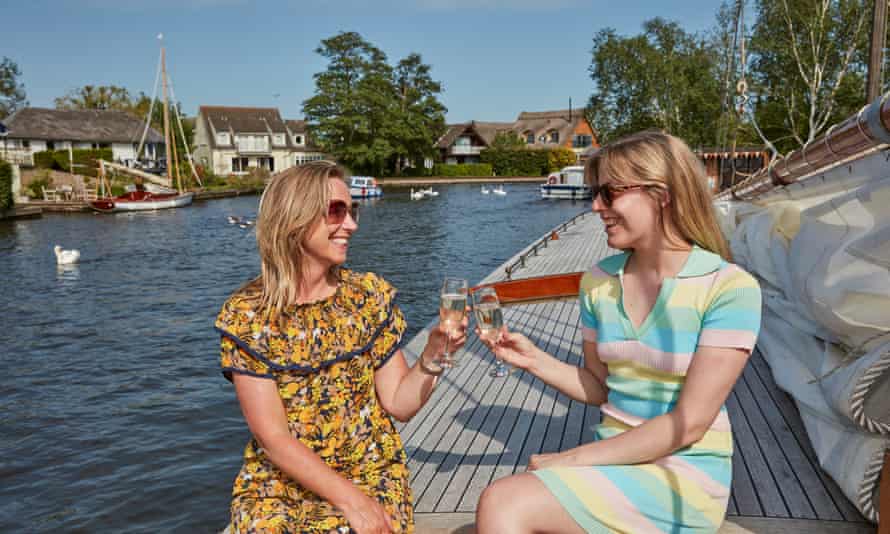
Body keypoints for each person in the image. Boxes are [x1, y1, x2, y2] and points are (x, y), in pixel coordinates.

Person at [475, 131, 762, 534]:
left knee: (503, 501)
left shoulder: (728, 287)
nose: (596, 206)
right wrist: (533, 360)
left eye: (609, 193)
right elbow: (601, 387)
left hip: (684, 474)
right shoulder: (599, 282)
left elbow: (690, 422)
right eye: (596, 193)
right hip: (612, 464)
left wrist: (573, 459)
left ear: (661, 194)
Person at [215, 160, 467, 533]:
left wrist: (431, 359)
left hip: (369, 471)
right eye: (337, 211)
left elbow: (399, 404)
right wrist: (349, 500)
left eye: (352, 211)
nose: (351, 224)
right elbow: (274, 439)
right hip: (280, 482)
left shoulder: (366, 296)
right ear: (295, 218)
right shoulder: (249, 316)